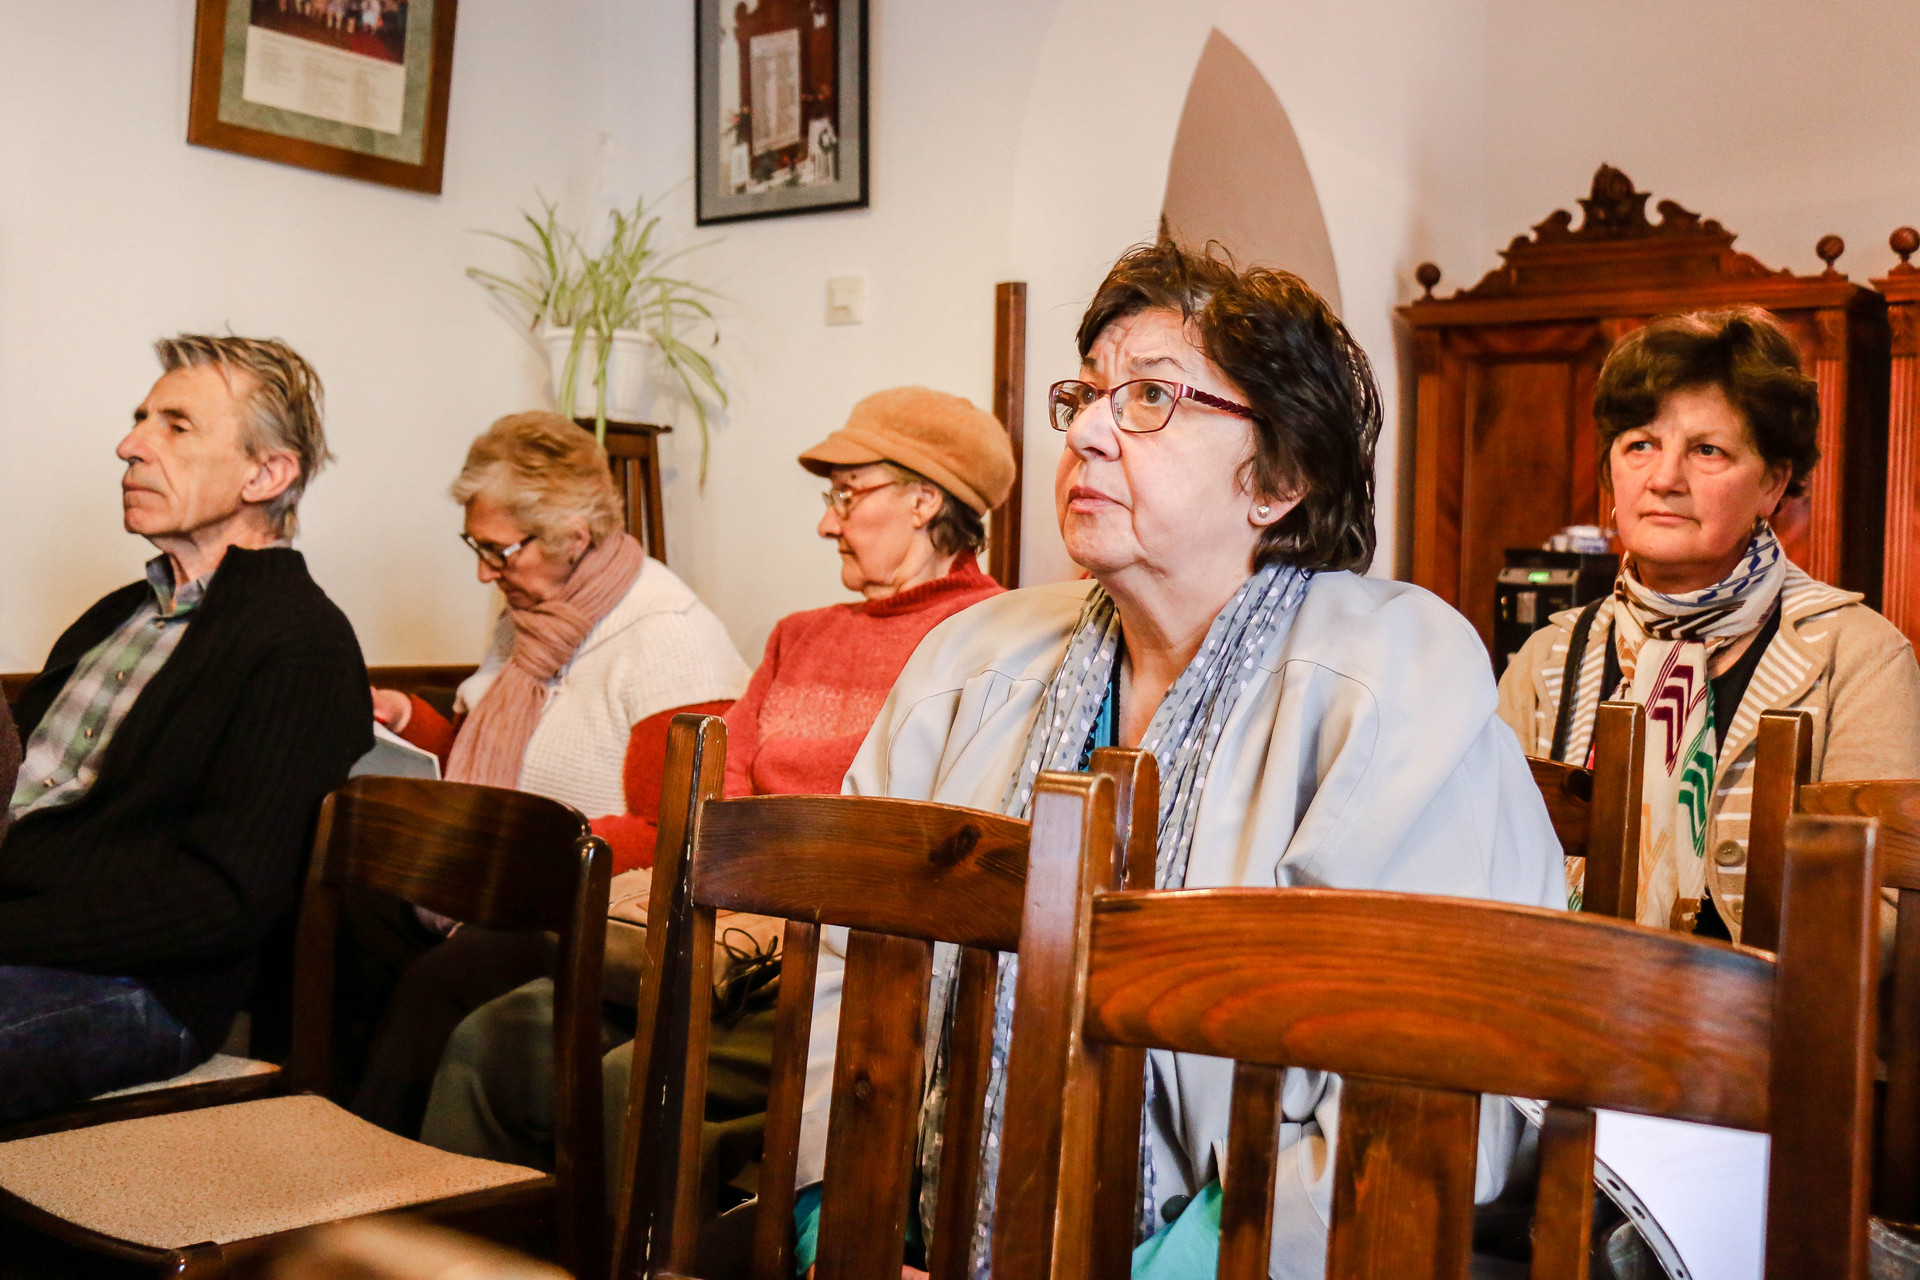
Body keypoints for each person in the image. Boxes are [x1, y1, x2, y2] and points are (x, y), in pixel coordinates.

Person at [791, 242, 1563, 1280]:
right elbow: (846, 952)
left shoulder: (1396, 677)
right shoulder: (968, 659)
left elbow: (1435, 1072)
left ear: (1279, 479)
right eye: (1085, 395)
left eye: (1151, 396)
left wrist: (1198, 1262)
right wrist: (838, 1217)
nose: (1083, 431)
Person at [417, 387, 1016, 1205]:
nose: (827, 523)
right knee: (489, 1042)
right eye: (830, 498)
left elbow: (936, 849)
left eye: (848, 495)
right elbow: (713, 805)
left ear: (925, 501)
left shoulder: (993, 643)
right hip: (719, 938)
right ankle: (444, 1254)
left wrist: (770, 872)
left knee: (630, 1083)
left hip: (841, 967)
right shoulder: (799, 635)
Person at [340, 411, 750, 1138]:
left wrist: (519, 860)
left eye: (497, 551)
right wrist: (409, 719)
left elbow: (675, 830)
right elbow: (492, 757)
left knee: (444, 981)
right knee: (349, 906)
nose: (483, 572)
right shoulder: (532, 615)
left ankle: (381, 1175)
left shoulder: (671, 640)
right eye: (475, 545)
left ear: (574, 537)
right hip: (494, 882)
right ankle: (316, 1130)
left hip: (584, 905)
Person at [0, 335, 371, 1124]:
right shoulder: (115, 616)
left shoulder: (302, 644)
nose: (129, 445)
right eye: (141, 419)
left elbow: (223, 902)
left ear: (265, 475)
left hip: (142, 988)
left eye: (175, 426)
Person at [1498, 307, 1920, 938]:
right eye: (1640, 445)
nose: (1664, 479)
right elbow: (1484, 862)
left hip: (1769, 998)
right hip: (1562, 986)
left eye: (1707, 450)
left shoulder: (1857, 657)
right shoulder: (1549, 658)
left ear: (1773, 484)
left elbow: (1884, 909)